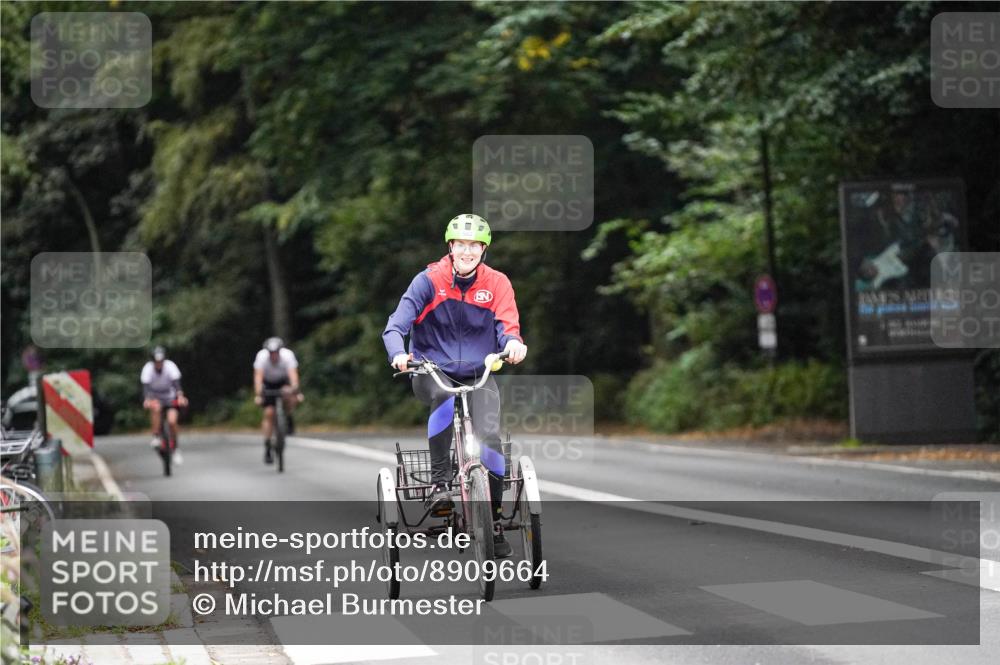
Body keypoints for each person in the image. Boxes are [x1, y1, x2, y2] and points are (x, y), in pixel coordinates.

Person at [383, 214, 528, 558]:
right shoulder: (428, 281)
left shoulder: (497, 283)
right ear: (450, 247)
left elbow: (509, 326)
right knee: (444, 399)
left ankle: (491, 519)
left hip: (480, 372)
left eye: (474, 245)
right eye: (460, 245)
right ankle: (440, 483)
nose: (467, 251)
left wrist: (513, 345)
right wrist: (399, 354)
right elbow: (394, 326)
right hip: (430, 370)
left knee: (490, 437)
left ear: (483, 249)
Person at [253, 336, 303, 464]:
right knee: (269, 413)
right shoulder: (261, 357)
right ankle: (268, 446)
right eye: (271, 353)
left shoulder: (288, 356)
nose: (274, 356)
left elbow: (293, 375)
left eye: (276, 353)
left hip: (283, 382)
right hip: (268, 384)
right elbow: (258, 377)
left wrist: (295, 390)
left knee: (290, 397)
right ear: (268, 353)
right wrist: (259, 394)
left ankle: (288, 417)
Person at [141, 346, 188, 464]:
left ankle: (176, 449)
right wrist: (147, 399)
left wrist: (180, 396)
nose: (159, 364)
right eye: (156, 362)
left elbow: (177, 384)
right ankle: (156, 436)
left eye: (160, 362)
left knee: (172, 422)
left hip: (170, 398)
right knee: (156, 407)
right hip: (155, 398)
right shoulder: (148, 369)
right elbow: (146, 387)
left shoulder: (170, 366)